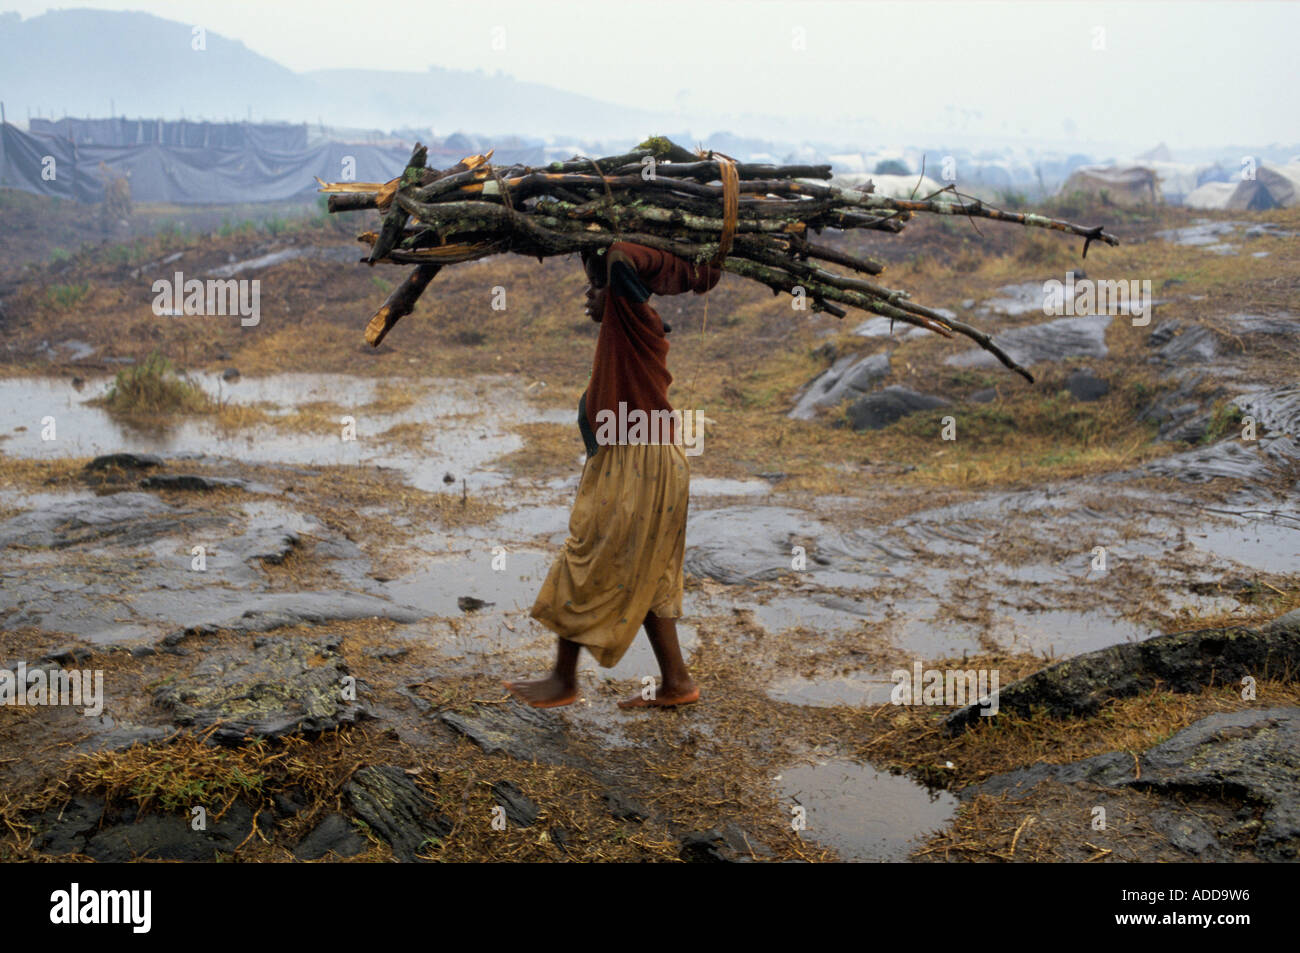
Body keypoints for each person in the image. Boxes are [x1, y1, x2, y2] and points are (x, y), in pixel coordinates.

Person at [503, 241, 720, 709]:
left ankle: (563, 680)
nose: (588, 295)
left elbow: (622, 256)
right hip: (649, 458)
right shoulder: (629, 327)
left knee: (586, 560)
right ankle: (677, 682)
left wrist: (613, 248)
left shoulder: (631, 316)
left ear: (619, 290)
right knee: (649, 572)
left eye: (594, 286)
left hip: (638, 462)